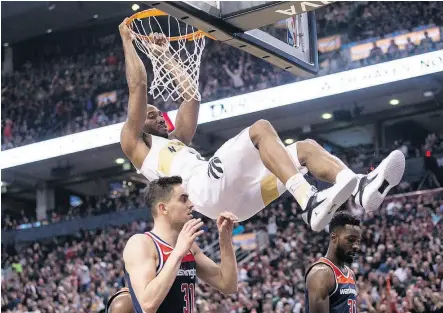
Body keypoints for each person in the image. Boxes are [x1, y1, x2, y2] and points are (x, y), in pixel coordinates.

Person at [118, 19, 405, 231]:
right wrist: (129, 42)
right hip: (202, 189)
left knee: (304, 150)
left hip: (235, 204)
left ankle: (361, 189)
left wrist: (165, 56)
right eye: (152, 114)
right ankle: (309, 202)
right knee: (260, 129)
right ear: (138, 122)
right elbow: (139, 85)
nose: (159, 116)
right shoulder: (135, 144)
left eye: (159, 113)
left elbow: (191, 96)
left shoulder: (178, 141)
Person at [123, 176, 238, 313]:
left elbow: (228, 285)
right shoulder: (141, 244)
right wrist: (177, 253)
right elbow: (148, 305)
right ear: (163, 208)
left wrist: (225, 238)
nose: (191, 204)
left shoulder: (189, 247)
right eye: (183, 199)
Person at [305, 211, 361, 313]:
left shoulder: (351, 274)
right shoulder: (321, 273)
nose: (356, 246)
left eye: (358, 241)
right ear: (334, 238)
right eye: (351, 240)